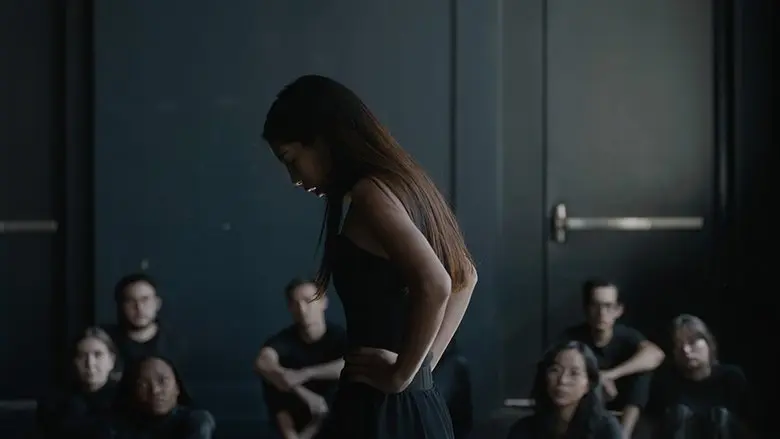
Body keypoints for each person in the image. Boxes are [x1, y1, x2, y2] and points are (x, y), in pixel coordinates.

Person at [262, 74, 478, 439]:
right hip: (410, 403)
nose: (293, 178)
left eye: (290, 159)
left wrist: (403, 374)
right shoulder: (406, 182)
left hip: (383, 409)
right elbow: (465, 278)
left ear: (321, 139)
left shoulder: (371, 194)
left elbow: (438, 283)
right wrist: (418, 370)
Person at [561, 279, 664, 437]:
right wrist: (596, 381)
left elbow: (656, 355)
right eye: (595, 305)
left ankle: (623, 435)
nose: (602, 313)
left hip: (625, 404)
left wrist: (609, 375)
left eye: (608, 306)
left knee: (643, 371)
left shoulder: (627, 336)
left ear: (618, 310)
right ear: (586, 309)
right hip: (585, 403)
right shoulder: (572, 337)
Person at [254, 278, 348, 439]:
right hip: (300, 419)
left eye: (308, 301)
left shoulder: (340, 337)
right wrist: (303, 392)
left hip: (338, 423)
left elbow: (351, 364)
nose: (302, 309)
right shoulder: (285, 340)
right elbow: (262, 362)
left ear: (323, 302)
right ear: (290, 307)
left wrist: (306, 373)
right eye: (296, 303)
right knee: (272, 376)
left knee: (348, 380)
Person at [652, 314, 752, 438]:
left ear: (708, 343)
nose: (685, 350)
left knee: (720, 416)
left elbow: (749, 425)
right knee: (679, 413)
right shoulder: (667, 381)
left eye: (692, 342)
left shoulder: (731, 377)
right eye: (678, 344)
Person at [506, 340, 622, 439]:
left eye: (574, 373)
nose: (562, 380)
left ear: (588, 384)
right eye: (555, 370)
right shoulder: (524, 429)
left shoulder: (606, 428)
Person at [102, 355, 215, 439]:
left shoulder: (196, 421)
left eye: (163, 381)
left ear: (177, 387)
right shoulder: (119, 428)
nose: (155, 390)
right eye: (143, 385)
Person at [36, 327, 119, 438]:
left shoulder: (126, 399)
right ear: (74, 362)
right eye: (82, 356)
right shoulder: (55, 404)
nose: (90, 363)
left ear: (111, 361)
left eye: (98, 355)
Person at [104, 273, 184, 375]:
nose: (139, 307)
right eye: (130, 301)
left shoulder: (176, 345)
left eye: (145, 300)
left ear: (157, 303)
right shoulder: (104, 342)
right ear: (120, 306)